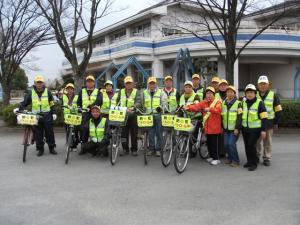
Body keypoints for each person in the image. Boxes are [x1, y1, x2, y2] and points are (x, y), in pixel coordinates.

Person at [14, 75, 57, 156]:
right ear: (35, 83)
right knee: (38, 134)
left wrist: (54, 113)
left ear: (43, 83)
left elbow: (52, 103)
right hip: (36, 116)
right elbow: (25, 103)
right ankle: (40, 149)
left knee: (49, 132)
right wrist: (18, 108)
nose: (39, 84)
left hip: (47, 115)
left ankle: (52, 148)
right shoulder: (31, 93)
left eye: (40, 82)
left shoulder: (48, 92)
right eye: (38, 82)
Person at [185, 86, 223, 165]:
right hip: (207, 127)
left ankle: (217, 158)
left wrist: (209, 109)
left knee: (214, 144)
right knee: (209, 143)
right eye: (207, 93)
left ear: (214, 94)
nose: (208, 95)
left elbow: (218, 110)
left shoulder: (218, 102)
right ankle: (212, 157)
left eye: (210, 93)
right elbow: (196, 107)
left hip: (215, 128)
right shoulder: (204, 102)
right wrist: (187, 107)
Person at [111, 75, 142, 156]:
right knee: (123, 134)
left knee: (134, 133)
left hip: (133, 115)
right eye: (127, 83)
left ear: (132, 84)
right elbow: (115, 101)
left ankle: (134, 149)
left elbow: (139, 101)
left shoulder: (136, 91)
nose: (128, 85)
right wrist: (115, 108)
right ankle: (125, 149)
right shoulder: (120, 92)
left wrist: (133, 107)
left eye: (130, 83)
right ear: (125, 84)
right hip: (122, 115)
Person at [256, 75, 282, 166]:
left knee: (267, 142)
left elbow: (278, 110)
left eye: (264, 84)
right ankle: (256, 156)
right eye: (261, 84)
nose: (262, 85)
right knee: (257, 142)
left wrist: (276, 122)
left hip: (269, 123)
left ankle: (267, 158)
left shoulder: (273, 95)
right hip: (257, 123)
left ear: (268, 85)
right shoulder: (254, 94)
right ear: (258, 85)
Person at [240, 84, 267, 171]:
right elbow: (240, 115)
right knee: (247, 146)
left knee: (251, 145)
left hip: (255, 129)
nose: (249, 94)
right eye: (248, 92)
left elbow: (264, 118)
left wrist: (263, 130)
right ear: (245, 94)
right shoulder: (243, 103)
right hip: (245, 129)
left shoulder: (260, 103)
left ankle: (254, 163)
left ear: (255, 93)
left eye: (251, 92)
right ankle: (249, 161)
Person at [141, 76, 167, 157]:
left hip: (158, 115)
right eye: (150, 83)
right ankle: (151, 149)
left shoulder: (161, 92)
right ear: (148, 84)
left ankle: (158, 149)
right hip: (148, 116)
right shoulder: (144, 93)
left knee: (159, 132)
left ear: (156, 84)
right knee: (150, 133)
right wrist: (143, 110)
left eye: (153, 83)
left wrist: (161, 108)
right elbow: (142, 103)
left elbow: (164, 102)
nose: (152, 85)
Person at [221, 85, 242, 167]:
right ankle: (230, 158)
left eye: (231, 92)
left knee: (231, 144)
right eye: (228, 92)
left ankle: (236, 160)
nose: (229, 93)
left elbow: (239, 117)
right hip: (226, 128)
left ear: (234, 93)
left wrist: (237, 128)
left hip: (234, 129)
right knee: (226, 144)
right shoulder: (223, 102)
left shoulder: (238, 103)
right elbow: (222, 116)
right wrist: (222, 127)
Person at [179, 81, 201, 157]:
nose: (188, 88)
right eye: (186, 87)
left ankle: (192, 151)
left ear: (192, 88)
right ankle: (184, 150)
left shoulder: (196, 96)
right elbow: (180, 106)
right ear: (184, 88)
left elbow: (197, 106)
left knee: (193, 135)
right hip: (185, 118)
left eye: (189, 87)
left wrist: (189, 107)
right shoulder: (182, 96)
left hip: (194, 118)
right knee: (184, 134)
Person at [62, 83, 80, 149]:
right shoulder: (64, 96)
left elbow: (79, 105)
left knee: (75, 131)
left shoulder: (77, 97)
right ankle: (68, 143)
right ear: (66, 89)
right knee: (67, 130)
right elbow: (62, 105)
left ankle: (75, 145)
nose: (69, 90)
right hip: (66, 116)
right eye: (68, 89)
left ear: (73, 89)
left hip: (75, 116)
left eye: (71, 89)